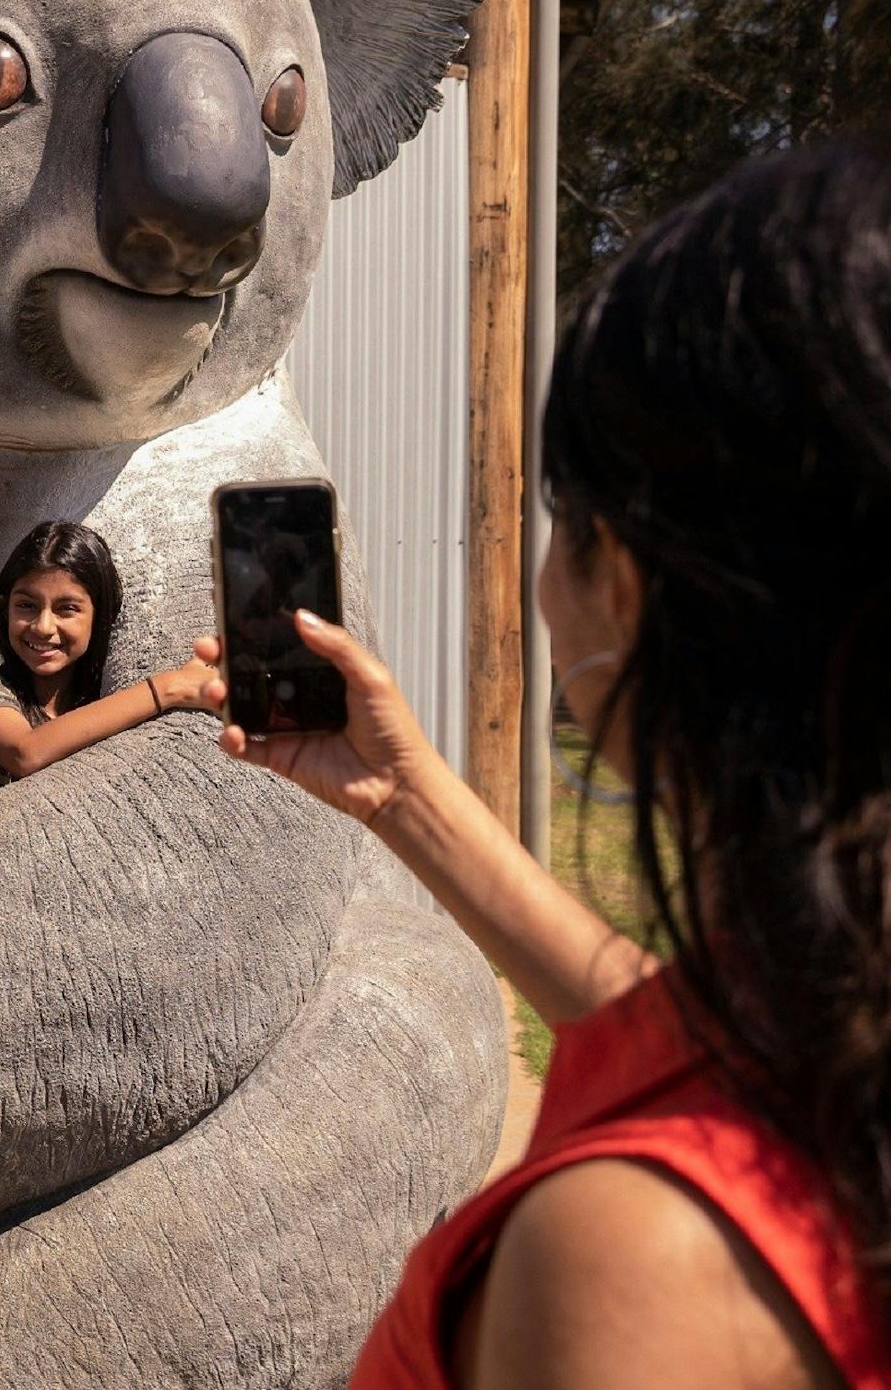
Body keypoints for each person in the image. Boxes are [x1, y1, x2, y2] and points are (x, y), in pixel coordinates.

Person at [197, 144, 891, 1388]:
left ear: (623, 573)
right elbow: (657, 1020)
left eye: (563, 507)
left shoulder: (638, 1259)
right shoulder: (830, 1006)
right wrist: (401, 792)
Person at [0, 519, 222, 805]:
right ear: (5, 609)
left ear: (98, 617)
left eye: (67, 609)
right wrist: (169, 688)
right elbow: (24, 752)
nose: (43, 626)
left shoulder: (106, 698)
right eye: (27, 605)